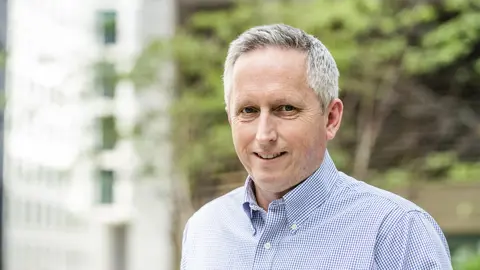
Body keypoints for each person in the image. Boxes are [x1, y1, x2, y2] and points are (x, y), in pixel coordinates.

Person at [180, 24, 452, 269]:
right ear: (230, 117)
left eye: (286, 108)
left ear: (331, 118)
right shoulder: (205, 229)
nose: (264, 135)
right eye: (248, 110)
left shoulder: (398, 233)